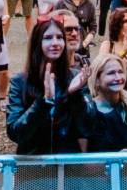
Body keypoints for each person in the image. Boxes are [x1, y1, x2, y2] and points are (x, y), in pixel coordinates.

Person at [6, 16, 87, 155]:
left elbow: (88, 127)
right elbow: (15, 132)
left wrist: (75, 95)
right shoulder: (19, 82)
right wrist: (43, 103)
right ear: (37, 42)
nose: (55, 43)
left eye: (59, 37)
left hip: (68, 164)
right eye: (48, 37)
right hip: (34, 166)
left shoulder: (75, 77)